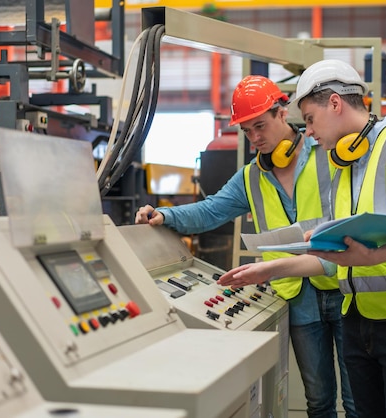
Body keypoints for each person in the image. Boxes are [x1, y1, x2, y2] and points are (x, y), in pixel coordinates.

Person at [217, 59, 386, 418]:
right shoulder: (345, 163)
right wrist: (294, 256)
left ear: (334, 103)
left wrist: (373, 257)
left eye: (310, 119)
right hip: (357, 319)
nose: (308, 131)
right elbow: (345, 246)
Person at [135, 75, 358, 418]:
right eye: (247, 131)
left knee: (357, 399)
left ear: (282, 113)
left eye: (260, 126)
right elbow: (209, 211)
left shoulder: (327, 154)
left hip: (343, 286)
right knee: (318, 399)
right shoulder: (251, 178)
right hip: (296, 296)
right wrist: (163, 215)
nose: (255, 138)